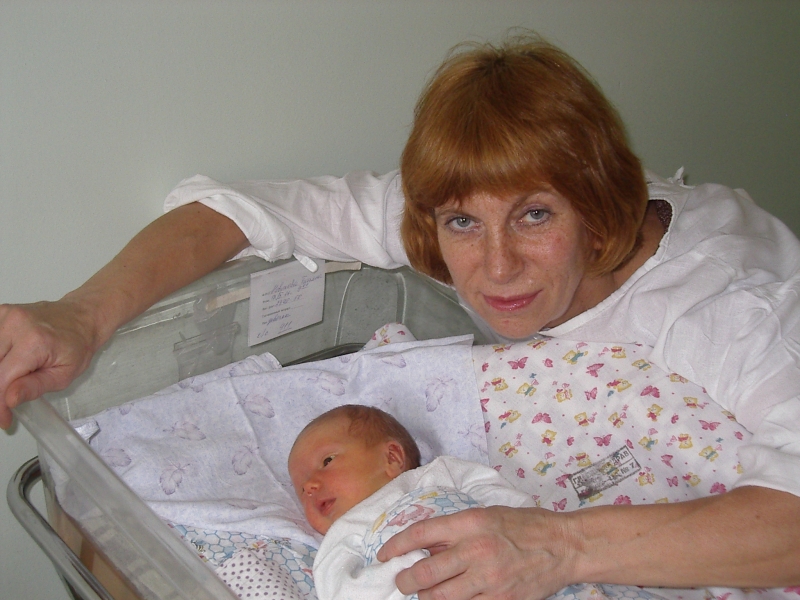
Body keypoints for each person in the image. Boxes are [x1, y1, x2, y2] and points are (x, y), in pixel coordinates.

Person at [1, 32, 799, 598]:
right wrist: (80, 317)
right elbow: (233, 214)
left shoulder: (732, 306)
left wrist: (557, 546)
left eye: (534, 216)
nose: (496, 267)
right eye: (463, 224)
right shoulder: (457, 208)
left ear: (595, 210)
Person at [287, 404, 535, 600]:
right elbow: (342, 591)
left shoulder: (438, 474)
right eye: (301, 489)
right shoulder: (346, 531)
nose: (309, 487)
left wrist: (523, 531)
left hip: (509, 573)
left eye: (327, 461)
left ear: (392, 458)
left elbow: (503, 502)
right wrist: (406, 568)